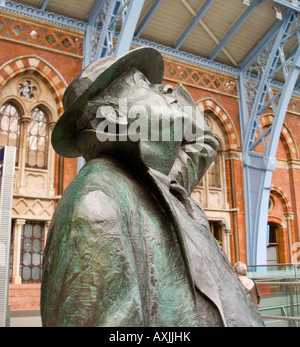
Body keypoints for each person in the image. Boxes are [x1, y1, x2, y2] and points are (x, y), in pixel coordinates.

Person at [41, 47, 264, 327]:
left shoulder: (159, 183)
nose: (167, 88)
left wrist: (176, 108)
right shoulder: (97, 204)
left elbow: (203, 142)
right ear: (113, 116)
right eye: (145, 84)